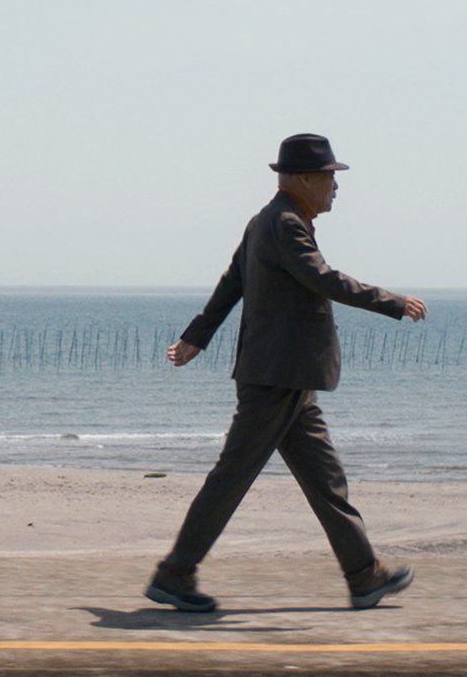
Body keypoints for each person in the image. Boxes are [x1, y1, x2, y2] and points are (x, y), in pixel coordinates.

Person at [147, 133, 425, 613]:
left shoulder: (266, 221)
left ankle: (363, 577)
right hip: (277, 377)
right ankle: (175, 573)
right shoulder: (285, 224)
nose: (335, 188)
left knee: (325, 479)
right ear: (303, 180)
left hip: (287, 376)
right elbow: (322, 278)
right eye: (328, 178)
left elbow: (231, 283)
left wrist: (198, 336)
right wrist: (392, 303)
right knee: (232, 478)